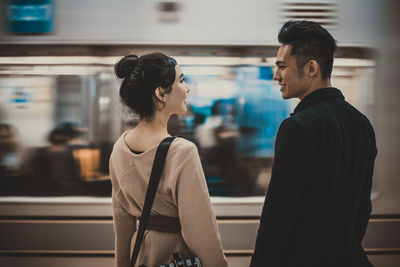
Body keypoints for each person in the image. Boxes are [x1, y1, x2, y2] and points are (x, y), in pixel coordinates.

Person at [250, 21, 377, 267]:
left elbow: (278, 217)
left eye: (282, 66)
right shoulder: (363, 124)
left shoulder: (297, 128)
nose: (276, 75)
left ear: (311, 68)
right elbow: (363, 208)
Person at [109, 52, 228, 267]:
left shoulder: (119, 147)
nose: (187, 88)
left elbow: (122, 224)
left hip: (142, 254)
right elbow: (199, 231)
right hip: (174, 256)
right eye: (181, 81)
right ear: (161, 93)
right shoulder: (182, 151)